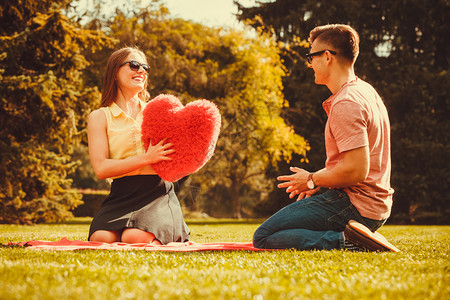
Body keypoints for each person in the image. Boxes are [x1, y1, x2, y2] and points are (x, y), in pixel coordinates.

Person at [253, 24, 398, 252]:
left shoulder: (346, 102)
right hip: (373, 206)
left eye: (311, 56)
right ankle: (356, 236)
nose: (309, 63)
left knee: (263, 236)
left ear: (327, 56)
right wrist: (320, 179)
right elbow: (353, 164)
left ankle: (350, 242)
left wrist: (312, 179)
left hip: (354, 206)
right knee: (277, 232)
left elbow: (356, 171)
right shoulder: (365, 91)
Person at [87, 47, 190, 244]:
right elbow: (101, 168)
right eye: (134, 65)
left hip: (158, 193)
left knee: (135, 237)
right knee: (100, 239)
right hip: (121, 193)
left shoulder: (158, 112)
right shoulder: (100, 117)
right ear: (114, 73)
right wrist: (146, 158)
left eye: (145, 67)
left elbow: (180, 156)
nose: (141, 71)